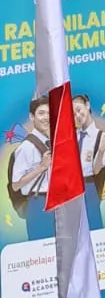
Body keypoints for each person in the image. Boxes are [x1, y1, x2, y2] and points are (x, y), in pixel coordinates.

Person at [9, 98, 52, 240]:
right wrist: (41, 167)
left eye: (49, 113)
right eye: (41, 113)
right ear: (32, 117)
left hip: (56, 201)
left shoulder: (51, 142)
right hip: (38, 203)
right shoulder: (26, 147)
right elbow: (15, 185)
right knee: (41, 248)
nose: (46, 117)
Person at [73, 93, 105, 230]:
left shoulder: (100, 136)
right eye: (73, 114)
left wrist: (101, 150)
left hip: (89, 187)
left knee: (93, 229)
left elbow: (97, 170)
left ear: (87, 105)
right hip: (72, 189)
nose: (77, 116)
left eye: (78, 110)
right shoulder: (72, 136)